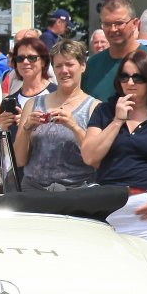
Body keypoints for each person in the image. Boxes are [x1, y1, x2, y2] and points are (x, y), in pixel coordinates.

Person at [80, 51, 147, 251]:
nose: (130, 83)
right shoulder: (104, 111)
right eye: (124, 76)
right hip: (108, 207)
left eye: (137, 77)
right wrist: (117, 121)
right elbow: (89, 156)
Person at [13, 39, 97, 192]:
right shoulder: (33, 104)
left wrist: (74, 126)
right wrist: (26, 129)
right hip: (34, 190)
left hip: (76, 192)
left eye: (69, 64)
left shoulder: (94, 107)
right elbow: (18, 160)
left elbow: (95, 159)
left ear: (83, 66)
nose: (64, 70)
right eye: (58, 66)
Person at [82, 0, 147, 100]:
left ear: (135, 24)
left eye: (119, 23)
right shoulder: (91, 65)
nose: (113, 29)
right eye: (107, 24)